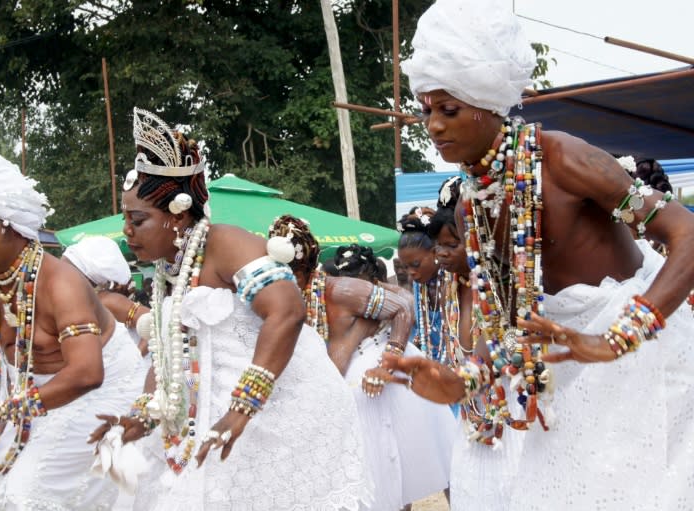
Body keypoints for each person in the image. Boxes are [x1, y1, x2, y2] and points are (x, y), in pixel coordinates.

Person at [381, 2, 694, 509]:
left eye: (449, 109)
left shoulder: (565, 157)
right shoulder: (470, 204)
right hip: (566, 367)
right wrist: (466, 379)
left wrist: (619, 338)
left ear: (487, 104)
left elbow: (687, 233)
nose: (433, 126)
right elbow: (506, 320)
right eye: (426, 111)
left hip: (645, 356)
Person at [88, 108, 370, 511]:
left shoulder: (224, 243)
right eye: (125, 220)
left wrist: (241, 409)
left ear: (178, 215)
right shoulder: (171, 270)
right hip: (203, 426)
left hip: (273, 419)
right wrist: (141, 417)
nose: (127, 231)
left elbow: (287, 312)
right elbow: (170, 356)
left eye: (138, 219)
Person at [0, 153, 145, 510]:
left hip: (103, 391)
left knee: (27, 494)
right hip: (38, 396)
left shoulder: (61, 283)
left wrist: (4, 410)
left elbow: (88, 373)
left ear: (15, 227)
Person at [269, 218, 455, 511]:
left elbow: (403, 305)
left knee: (415, 471)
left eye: (288, 275)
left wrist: (386, 362)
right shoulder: (282, 298)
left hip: (381, 381)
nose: (281, 282)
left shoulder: (340, 290)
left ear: (305, 270)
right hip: (345, 391)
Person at [62, 236, 151, 362]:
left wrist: (133, 360)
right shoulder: (80, 303)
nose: (60, 277)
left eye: (67, 272)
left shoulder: (107, 301)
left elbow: (152, 324)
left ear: (87, 277)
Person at [396, 208, 443, 361]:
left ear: (435, 252)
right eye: (406, 267)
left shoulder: (457, 281)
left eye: (416, 264)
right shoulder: (419, 285)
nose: (411, 272)